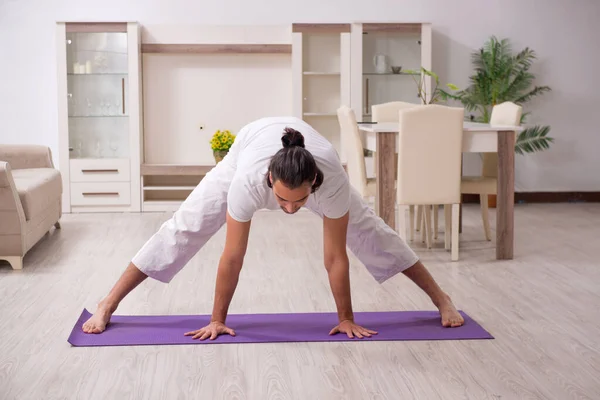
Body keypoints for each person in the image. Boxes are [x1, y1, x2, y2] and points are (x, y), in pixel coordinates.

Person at [82, 116, 464, 339]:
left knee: (374, 232)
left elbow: (334, 258)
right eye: (282, 200)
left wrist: (345, 317)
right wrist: (217, 320)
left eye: (299, 201)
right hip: (248, 147)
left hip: (305, 158)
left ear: (313, 185)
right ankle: (108, 303)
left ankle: (441, 298)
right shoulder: (247, 181)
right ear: (269, 181)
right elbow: (232, 257)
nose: (290, 210)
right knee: (185, 225)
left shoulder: (330, 181)